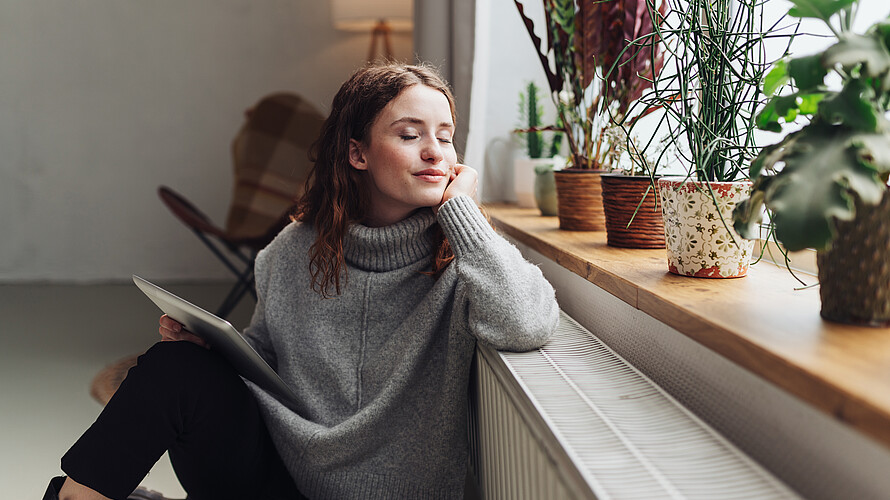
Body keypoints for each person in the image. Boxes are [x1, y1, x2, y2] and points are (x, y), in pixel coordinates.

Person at [46, 63, 559, 500]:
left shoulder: (466, 256)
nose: (435, 152)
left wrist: (462, 212)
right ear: (357, 153)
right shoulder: (293, 250)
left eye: (445, 137)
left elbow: (527, 324)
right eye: (409, 135)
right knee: (175, 366)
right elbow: (269, 357)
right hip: (281, 477)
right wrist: (217, 350)